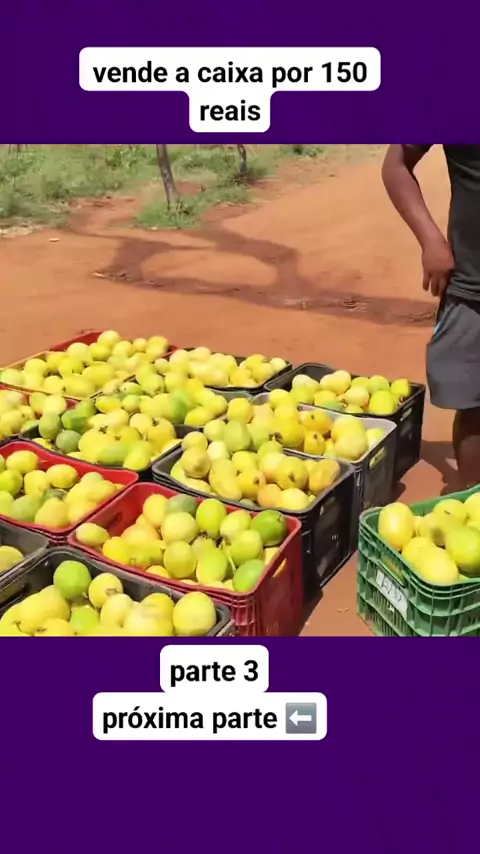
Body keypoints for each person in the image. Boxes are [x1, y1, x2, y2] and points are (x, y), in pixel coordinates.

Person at [382, 144, 480, 489]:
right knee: (474, 405)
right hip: (474, 285)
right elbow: (396, 165)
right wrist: (430, 240)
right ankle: (472, 503)